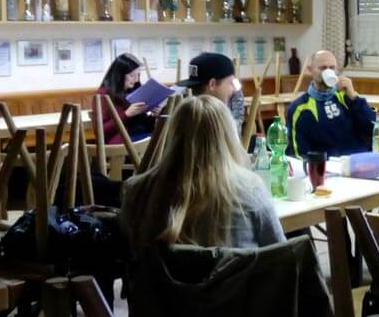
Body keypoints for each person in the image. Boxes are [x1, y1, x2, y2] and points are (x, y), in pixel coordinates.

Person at [120, 95, 283, 253]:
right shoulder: (250, 188)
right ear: (228, 137)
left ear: (173, 134)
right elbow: (282, 253)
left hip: (160, 272)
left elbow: (128, 253)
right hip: (233, 272)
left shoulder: (136, 190)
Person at [286, 49, 377, 157]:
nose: (328, 71)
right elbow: (298, 154)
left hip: (358, 161)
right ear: (310, 70)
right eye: (323, 68)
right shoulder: (299, 108)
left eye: (332, 68)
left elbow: (375, 130)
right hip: (326, 164)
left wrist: (354, 98)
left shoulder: (347, 97)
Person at [97, 52, 156, 144]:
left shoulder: (134, 90)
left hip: (142, 137)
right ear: (119, 75)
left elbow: (144, 124)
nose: (136, 79)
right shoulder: (103, 94)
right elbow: (101, 130)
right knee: (163, 142)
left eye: (138, 75)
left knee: (166, 138)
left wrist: (154, 115)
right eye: (132, 75)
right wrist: (126, 114)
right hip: (123, 142)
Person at [177, 52, 246, 129]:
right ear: (212, 84)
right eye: (231, 82)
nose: (233, 89)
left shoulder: (183, 107)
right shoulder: (209, 122)